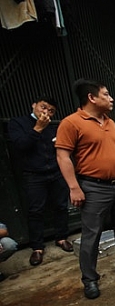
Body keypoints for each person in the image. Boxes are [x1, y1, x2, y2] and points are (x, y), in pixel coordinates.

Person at [55, 78, 115, 300]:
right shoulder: (72, 123)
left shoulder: (110, 122)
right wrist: (74, 187)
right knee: (92, 233)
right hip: (93, 187)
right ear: (92, 98)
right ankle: (89, 279)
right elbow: (63, 156)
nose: (111, 98)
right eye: (106, 94)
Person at [7, 96, 73, 267]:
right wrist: (37, 129)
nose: (46, 112)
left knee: (61, 205)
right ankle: (37, 247)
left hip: (55, 172)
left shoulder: (54, 128)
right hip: (33, 175)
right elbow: (20, 146)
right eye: (43, 107)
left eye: (51, 111)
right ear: (34, 105)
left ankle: (62, 237)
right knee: (35, 210)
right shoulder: (18, 123)